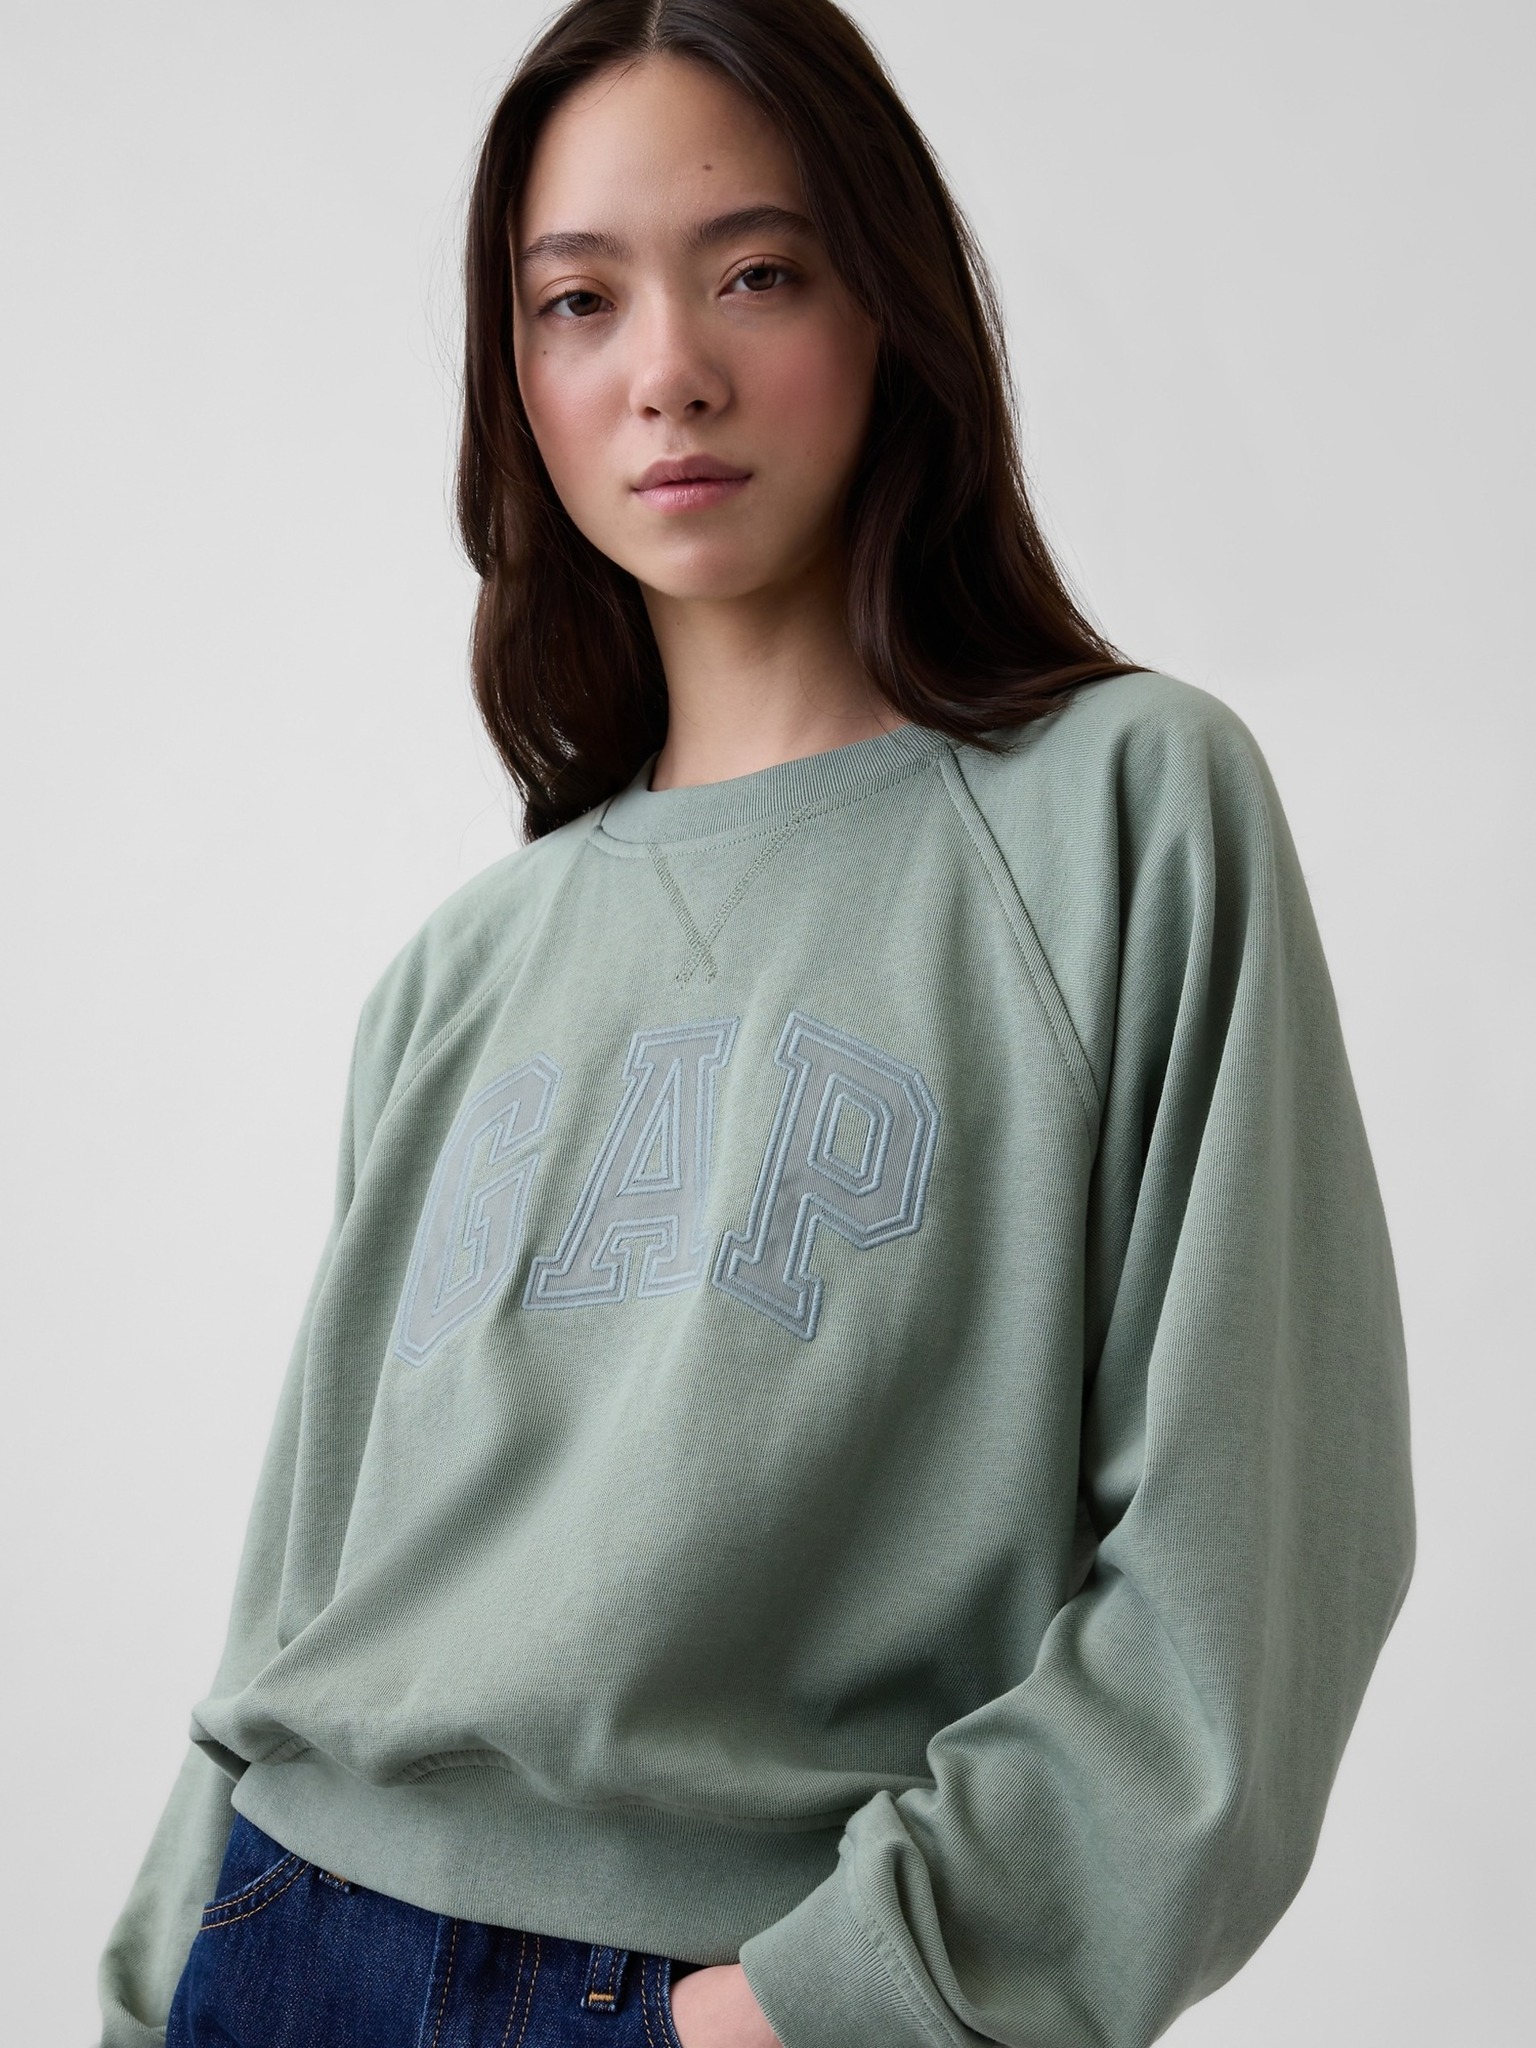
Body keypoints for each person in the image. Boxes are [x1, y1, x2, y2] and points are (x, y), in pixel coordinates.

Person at [96, 2, 1415, 2044]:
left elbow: (1249, 1578)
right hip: (283, 1943)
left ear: (889, 307)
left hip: (716, 1992)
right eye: (578, 302)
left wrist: (806, 2008)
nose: (668, 373)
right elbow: (291, 1600)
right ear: (517, 379)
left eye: (757, 274)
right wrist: (148, 1988)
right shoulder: (460, 968)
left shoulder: (1127, 812)